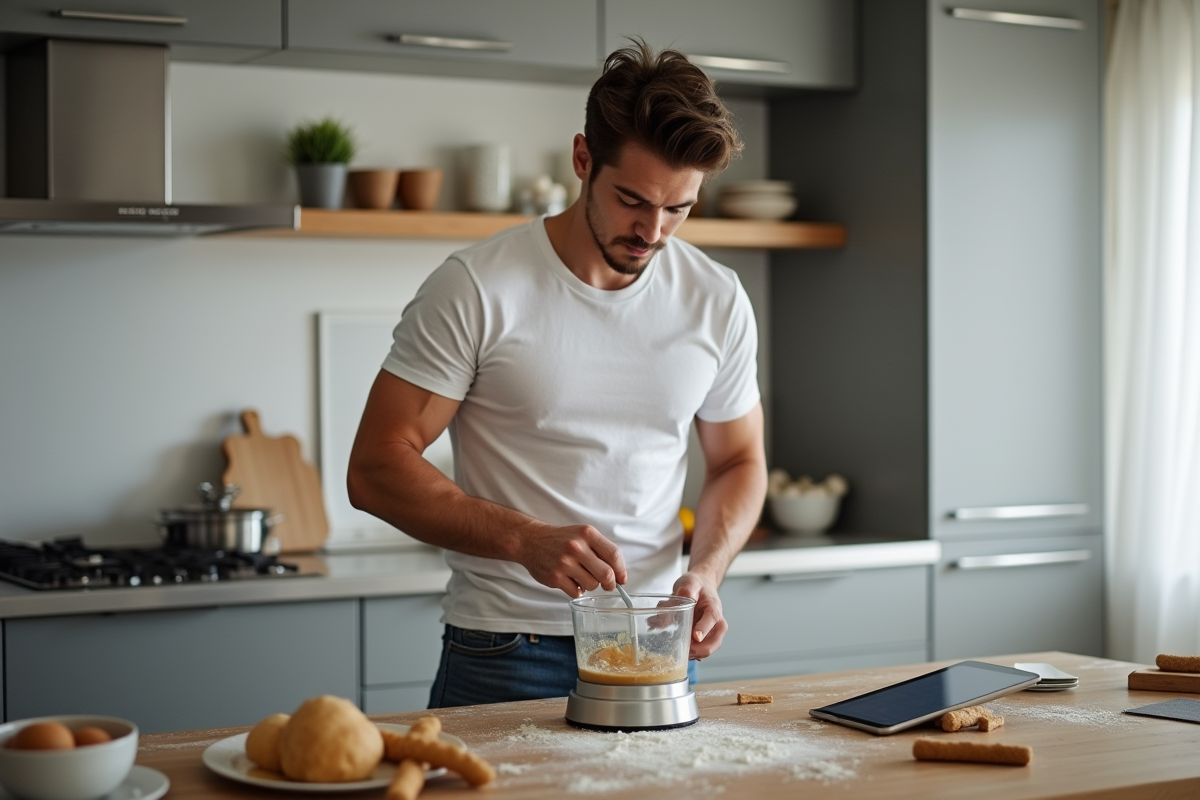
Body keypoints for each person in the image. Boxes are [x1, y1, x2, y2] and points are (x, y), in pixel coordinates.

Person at [347, 40, 767, 708]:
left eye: (679, 209)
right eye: (632, 198)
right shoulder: (476, 287)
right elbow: (373, 469)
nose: (653, 231)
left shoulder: (716, 299)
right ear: (582, 160)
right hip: (507, 650)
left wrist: (707, 571)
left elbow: (739, 461)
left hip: (654, 645)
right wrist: (522, 538)